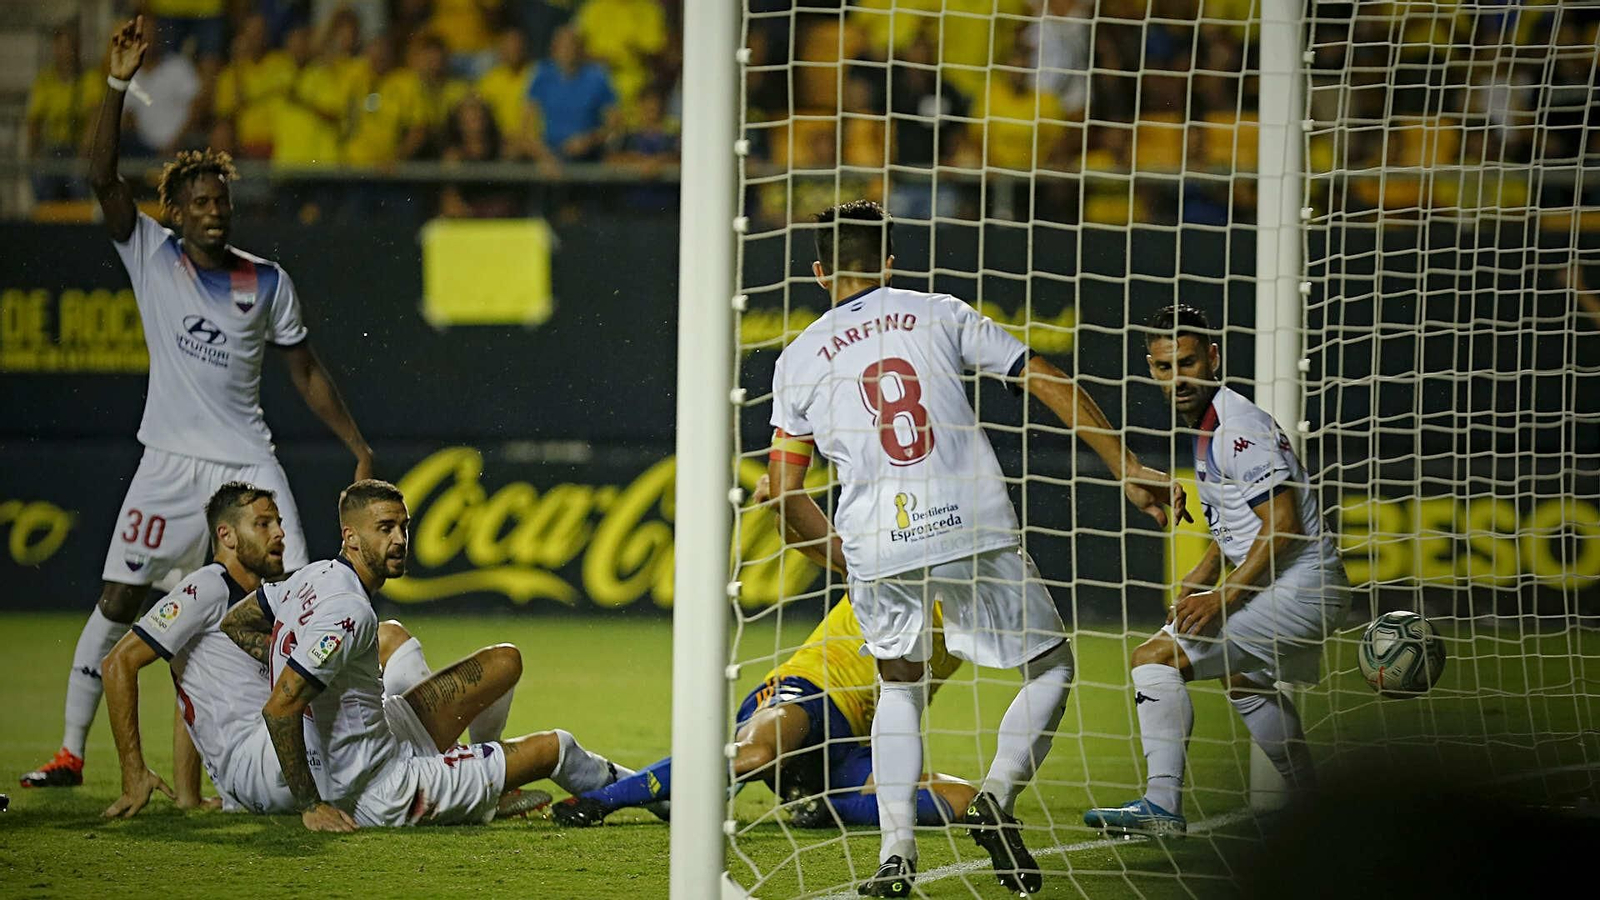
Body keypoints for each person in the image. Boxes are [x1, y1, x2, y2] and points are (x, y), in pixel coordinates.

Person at [766, 200, 1185, 896]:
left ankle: (895, 854)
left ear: (819, 271)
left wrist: (846, 559)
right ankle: (997, 795)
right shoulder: (939, 311)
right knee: (1050, 666)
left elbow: (784, 497)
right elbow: (1043, 375)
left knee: (898, 685)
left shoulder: (798, 357)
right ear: (890, 261)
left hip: (877, 538)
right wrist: (1125, 466)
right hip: (972, 520)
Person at [20, 16, 374, 791]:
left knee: (290, 602)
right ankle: (73, 752)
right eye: (199, 201)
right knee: (120, 599)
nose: (214, 209)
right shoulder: (152, 253)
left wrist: (355, 442)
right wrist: (115, 84)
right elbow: (101, 179)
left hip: (247, 464)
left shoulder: (266, 280)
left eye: (221, 199)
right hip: (170, 460)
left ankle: (315, 747)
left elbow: (305, 370)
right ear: (174, 211)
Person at [554, 478, 968, 829]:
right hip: (806, 694)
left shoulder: (974, 625)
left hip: (850, 750)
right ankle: (600, 801)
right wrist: (782, 499)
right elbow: (798, 538)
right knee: (755, 754)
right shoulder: (894, 573)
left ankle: (824, 804)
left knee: (965, 799)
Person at [1082, 304, 1351, 836]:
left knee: (1154, 658)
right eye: (1164, 367)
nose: (1177, 378)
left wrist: (1221, 598)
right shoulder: (1212, 422)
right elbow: (1244, 524)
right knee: (1243, 678)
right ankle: (1312, 806)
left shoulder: (1236, 428)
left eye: (1187, 362)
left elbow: (1283, 525)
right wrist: (1203, 573)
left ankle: (1161, 805)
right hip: (1297, 584)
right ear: (1150, 368)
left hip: (1299, 587)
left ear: (1212, 357)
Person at [238, 479, 626, 831]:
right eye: (385, 529)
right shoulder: (349, 609)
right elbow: (280, 707)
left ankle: (486, 778)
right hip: (380, 786)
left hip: (382, 736)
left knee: (504, 661)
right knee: (555, 748)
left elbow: (235, 622)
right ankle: (652, 790)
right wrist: (310, 806)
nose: (400, 539)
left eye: (403, 526)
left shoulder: (311, 576)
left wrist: (295, 664)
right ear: (351, 537)